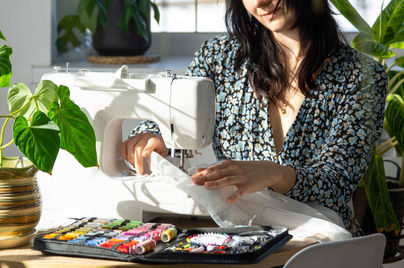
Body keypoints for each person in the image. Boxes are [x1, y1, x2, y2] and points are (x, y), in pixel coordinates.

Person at [121, 0, 387, 235]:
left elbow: (338, 180)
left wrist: (275, 174)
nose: (260, 2)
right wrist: (155, 134)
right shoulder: (220, 58)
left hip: (320, 243)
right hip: (243, 236)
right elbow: (175, 113)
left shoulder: (361, 78)